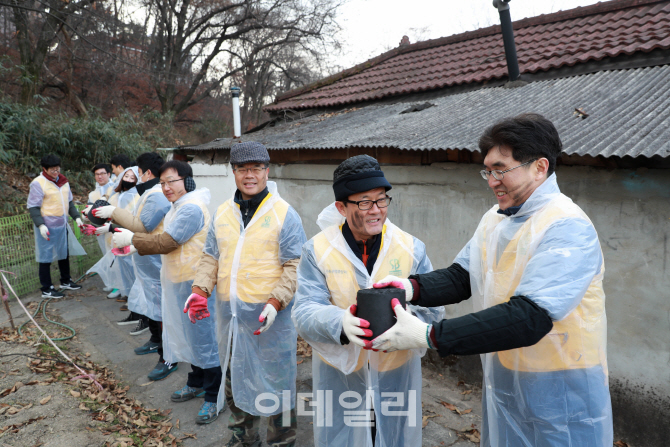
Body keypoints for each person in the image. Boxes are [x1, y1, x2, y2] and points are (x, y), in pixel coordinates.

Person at [371, 114, 613, 446]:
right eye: (488, 171)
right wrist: (411, 287)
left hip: (561, 389)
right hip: (506, 377)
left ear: (539, 167)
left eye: (501, 169)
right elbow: (463, 276)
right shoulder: (495, 220)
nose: (491, 181)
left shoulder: (566, 226)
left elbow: (530, 317)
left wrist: (430, 335)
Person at [292, 155, 443, 447]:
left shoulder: (410, 247)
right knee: (343, 437)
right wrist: (340, 323)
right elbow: (304, 311)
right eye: (364, 202)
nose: (376, 210)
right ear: (341, 207)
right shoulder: (318, 250)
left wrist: (411, 327)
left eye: (381, 200)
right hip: (341, 371)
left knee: (395, 436)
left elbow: (433, 307)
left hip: (395, 369)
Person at [185, 141, 307, 444]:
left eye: (256, 168)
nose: (249, 175)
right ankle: (243, 436)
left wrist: (275, 302)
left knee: (279, 382)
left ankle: (281, 439)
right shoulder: (223, 213)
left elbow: (295, 265)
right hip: (232, 314)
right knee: (235, 376)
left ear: (267, 171)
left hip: (270, 316)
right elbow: (211, 256)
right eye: (242, 168)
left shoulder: (284, 214)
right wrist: (201, 290)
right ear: (234, 172)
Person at [112, 160, 220, 424]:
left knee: (205, 340)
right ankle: (195, 382)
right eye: (162, 183)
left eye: (171, 181)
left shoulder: (191, 209)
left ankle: (214, 396)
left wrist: (133, 240)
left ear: (187, 180)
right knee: (188, 335)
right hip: (179, 280)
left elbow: (169, 241)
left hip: (197, 284)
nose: (166, 187)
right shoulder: (177, 206)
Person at [93, 153, 171, 361]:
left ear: (147, 173)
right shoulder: (149, 193)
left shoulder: (156, 195)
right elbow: (136, 222)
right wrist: (111, 226)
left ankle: (167, 354)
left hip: (154, 259)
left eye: (138, 172)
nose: (136, 176)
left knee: (159, 308)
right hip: (145, 259)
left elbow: (142, 226)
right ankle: (156, 340)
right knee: (151, 305)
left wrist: (113, 213)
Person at [27, 154, 86, 298]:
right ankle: (46, 288)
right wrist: (40, 225)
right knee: (45, 256)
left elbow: (69, 202)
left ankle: (66, 280)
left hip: (62, 223)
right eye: (52, 169)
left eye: (57, 168)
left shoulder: (63, 181)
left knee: (63, 253)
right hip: (47, 226)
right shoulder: (38, 183)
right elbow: (33, 207)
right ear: (44, 169)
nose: (56, 172)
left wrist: (77, 217)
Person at [93, 167, 141, 307]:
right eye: (126, 176)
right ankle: (127, 294)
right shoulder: (115, 195)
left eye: (133, 178)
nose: (128, 180)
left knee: (133, 268)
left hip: (129, 236)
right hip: (114, 236)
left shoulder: (136, 196)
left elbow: (133, 220)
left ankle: (135, 298)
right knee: (121, 267)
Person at [85, 163, 114, 291]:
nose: (100, 176)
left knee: (115, 256)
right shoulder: (93, 194)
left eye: (102, 173)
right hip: (99, 229)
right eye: (97, 174)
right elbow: (89, 210)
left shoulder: (115, 190)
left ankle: (119, 287)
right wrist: (86, 216)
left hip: (113, 229)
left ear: (109, 174)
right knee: (105, 255)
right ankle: (111, 282)